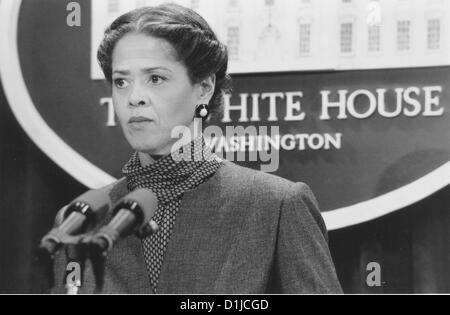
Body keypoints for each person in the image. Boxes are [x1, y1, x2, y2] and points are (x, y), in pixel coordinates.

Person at [54, 3, 342, 294]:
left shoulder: (275, 206)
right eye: (121, 81)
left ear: (204, 87)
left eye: (156, 78)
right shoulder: (79, 222)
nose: (134, 97)